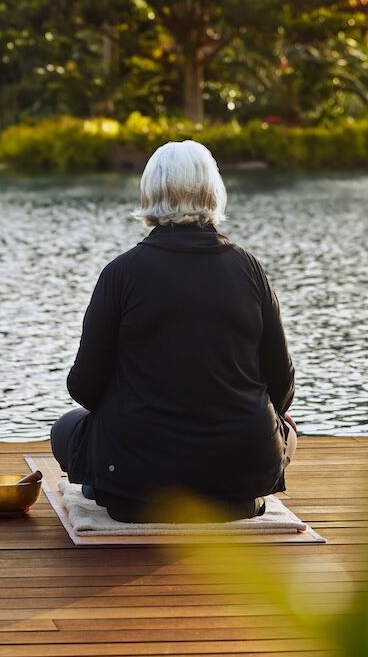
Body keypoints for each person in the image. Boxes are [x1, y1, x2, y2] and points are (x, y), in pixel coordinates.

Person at [50, 140, 296, 522]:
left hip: (136, 485)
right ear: (214, 192)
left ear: (151, 193)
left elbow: (83, 387)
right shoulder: (250, 270)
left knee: (65, 428)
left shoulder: (122, 273)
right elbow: (281, 381)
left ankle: (110, 483)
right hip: (238, 476)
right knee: (287, 431)